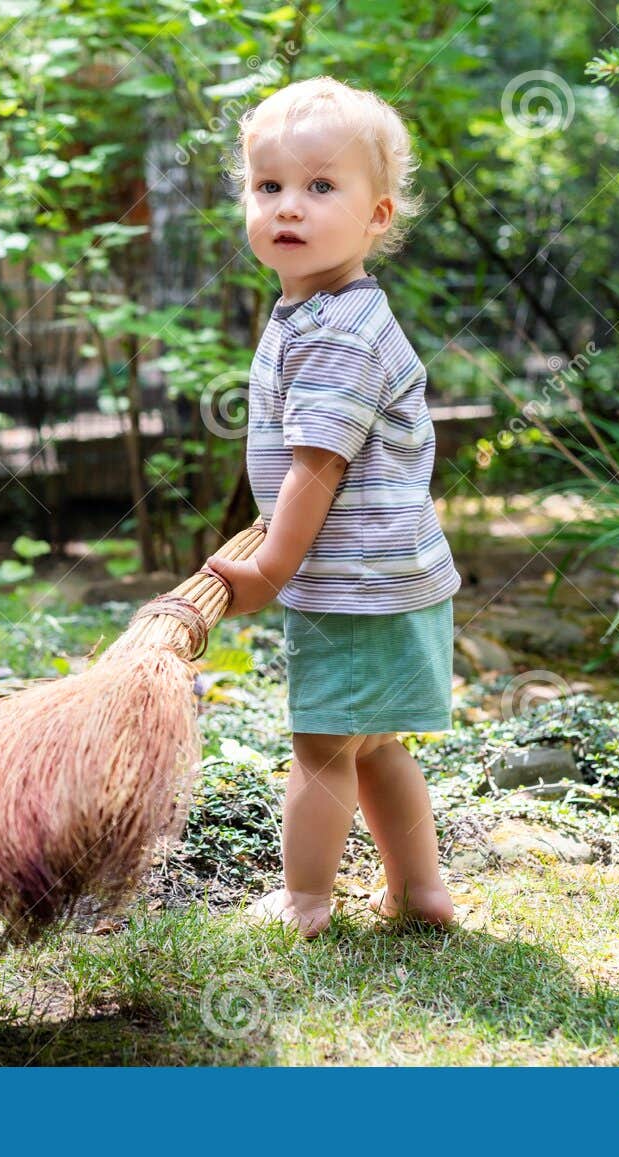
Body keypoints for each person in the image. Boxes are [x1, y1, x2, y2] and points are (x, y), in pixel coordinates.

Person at [204, 77, 461, 939]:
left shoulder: (335, 334)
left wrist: (272, 569)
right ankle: (419, 890)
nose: (289, 206)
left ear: (378, 215)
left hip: (355, 584)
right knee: (377, 743)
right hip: (395, 576)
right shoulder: (319, 312)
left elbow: (318, 466)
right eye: (268, 186)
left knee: (321, 748)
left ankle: (306, 901)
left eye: (321, 187)